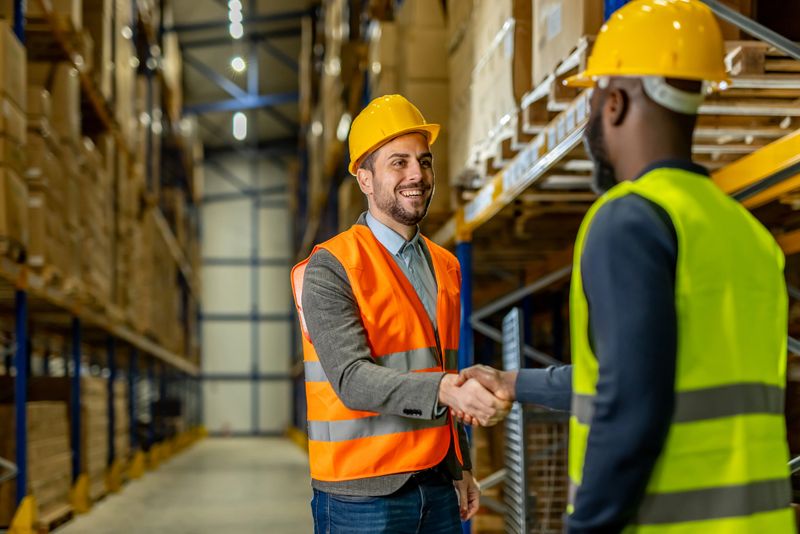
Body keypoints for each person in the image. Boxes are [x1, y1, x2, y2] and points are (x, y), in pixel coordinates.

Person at [455, 1, 796, 532]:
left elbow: (631, 405)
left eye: (591, 98)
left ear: (613, 103)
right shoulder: (746, 233)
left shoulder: (629, 220)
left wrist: (587, 526)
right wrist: (513, 382)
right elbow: (649, 373)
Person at [291, 94, 511, 533]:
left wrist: (460, 465)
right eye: (399, 162)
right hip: (361, 498)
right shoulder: (331, 266)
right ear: (365, 179)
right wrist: (448, 390)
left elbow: (438, 368)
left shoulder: (445, 264)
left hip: (435, 485)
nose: (417, 175)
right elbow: (352, 379)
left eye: (424, 161)